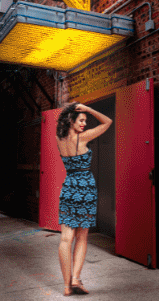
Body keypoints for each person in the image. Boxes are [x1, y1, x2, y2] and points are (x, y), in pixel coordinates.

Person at [56, 103, 112, 296]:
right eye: (81, 120)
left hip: (69, 187)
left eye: (85, 121)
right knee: (82, 236)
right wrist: (87, 109)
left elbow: (62, 120)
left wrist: (73, 111)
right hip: (85, 188)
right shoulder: (82, 138)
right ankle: (75, 279)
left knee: (65, 238)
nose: (84, 124)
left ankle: (66, 286)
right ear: (71, 121)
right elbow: (108, 122)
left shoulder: (59, 138)